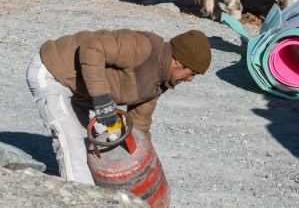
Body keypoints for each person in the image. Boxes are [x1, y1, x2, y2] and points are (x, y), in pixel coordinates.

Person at [26, 28, 211, 185]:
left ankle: (102, 192)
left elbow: (140, 123)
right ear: (178, 60)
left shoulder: (161, 80)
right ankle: (81, 199)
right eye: (191, 72)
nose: (190, 79)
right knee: (70, 140)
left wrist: (145, 161)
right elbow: (91, 48)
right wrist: (102, 99)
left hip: (83, 90)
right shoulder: (142, 47)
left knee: (112, 140)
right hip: (52, 71)